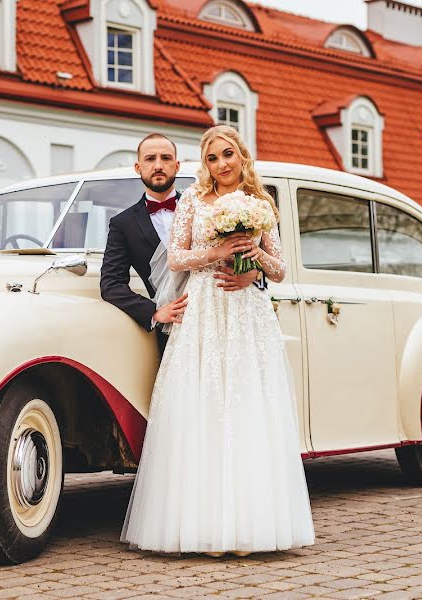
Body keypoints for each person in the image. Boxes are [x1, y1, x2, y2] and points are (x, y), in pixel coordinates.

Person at [121, 125, 315, 556]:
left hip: (247, 312)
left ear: (241, 156)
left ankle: (248, 527)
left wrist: (253, 263)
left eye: (227, 154)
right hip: (205, 308)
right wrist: (215, 253)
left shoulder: (261, 204)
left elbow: (280, 269)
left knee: (247, 409)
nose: (221, 164)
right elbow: (176, 257)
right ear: (204, 164)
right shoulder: (193, 200)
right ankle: (203, 526)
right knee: (204, 408)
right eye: (212, 158)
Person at [100, 133, 263, 353]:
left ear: (177, 166)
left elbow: (250, 249)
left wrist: (255, 275)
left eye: (166, 158)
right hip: (172, 327)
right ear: (138, 167)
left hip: (227, 314)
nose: (158, 165)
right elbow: (111, 284)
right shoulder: (122, 224)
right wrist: (154, 312)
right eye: (150, 159)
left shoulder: (206, 205)